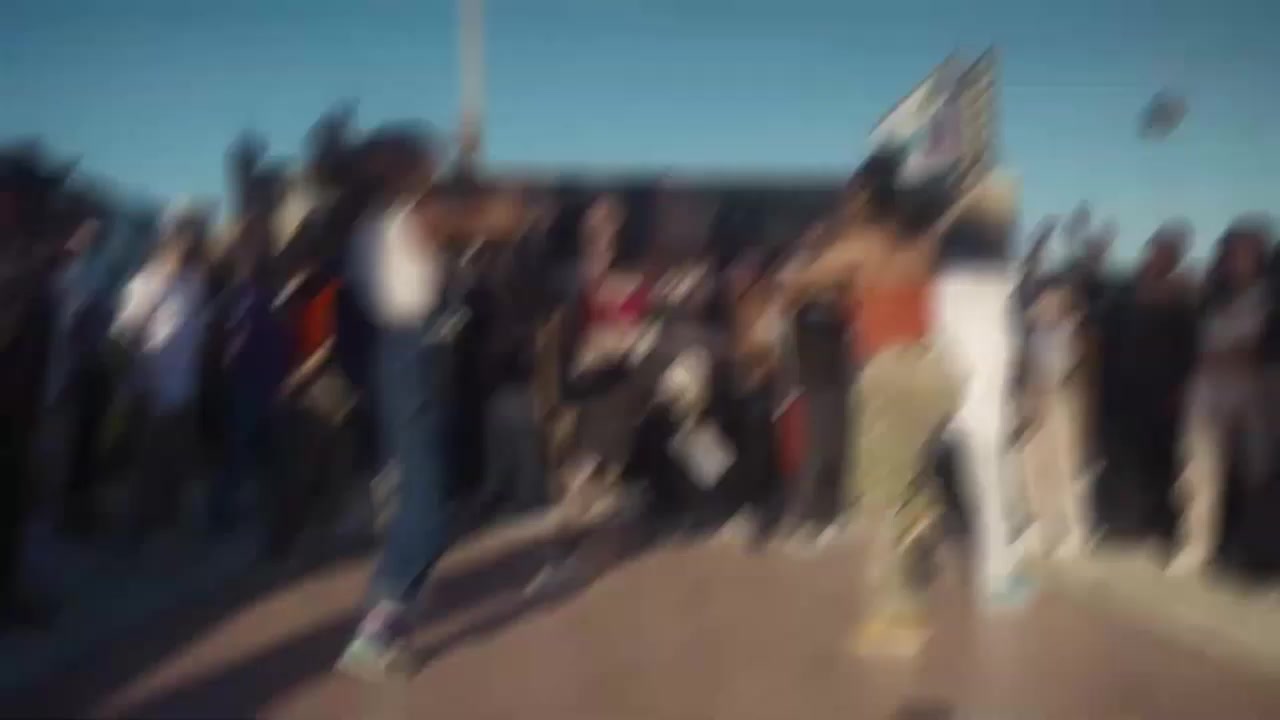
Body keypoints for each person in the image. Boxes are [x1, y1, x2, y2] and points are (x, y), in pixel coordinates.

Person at [779, 150, 1020, 659]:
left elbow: (796, 285)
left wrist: (817, 262)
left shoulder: (859, 245)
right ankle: (923, 506)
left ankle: (895, 618)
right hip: (935, 371)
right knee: (904, 483)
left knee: (877, 501)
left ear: (866, 196)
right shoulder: (922, 242)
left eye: (852, 193)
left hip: (889, 375)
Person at [335, 132, 528, 678]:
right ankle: (378, 627)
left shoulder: (370, 222)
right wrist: (480, 172)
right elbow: (502, 219)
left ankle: (389, 616)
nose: (435, 167)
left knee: (422, 490)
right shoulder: (413, 216)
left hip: (393, 353)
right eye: (428, 160)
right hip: (411, 351)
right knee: (428, 506)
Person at [1171, 222, 1271, 575]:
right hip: (1207, 388)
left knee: (1254, 471)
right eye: (1233, 252)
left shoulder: (1268, 297)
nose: (1238, 260)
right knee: (1198, 469)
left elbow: (1256, 348)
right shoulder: (1211, 295)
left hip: (1253, 390)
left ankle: (1249, 548)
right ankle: (1197, 544)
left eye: (1247, 252)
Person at [110, 210, 210, 548]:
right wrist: (136, 385)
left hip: (185, 390)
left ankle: (166, 526)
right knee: (143, 469)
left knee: (176, 465)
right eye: (184, 239)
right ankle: (133, 533)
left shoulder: (194, 282)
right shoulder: (145, 283)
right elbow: (124, 335)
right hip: (151, 393)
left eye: (194, 240)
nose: (190, 246)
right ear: (167, 242)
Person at [1094, 226, 1197, 542]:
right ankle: (1121, 522)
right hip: (1121, 387)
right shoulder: (1125, 290)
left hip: (1162, 389)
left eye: (1168, 253)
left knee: (1159, 459)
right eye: (1157, 250)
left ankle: (1157, 523)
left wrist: (1180, 389)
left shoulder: (1182, 297)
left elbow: (1189, 347)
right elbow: (1104, 331)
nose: (1159, 257)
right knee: (1121, 455)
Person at [43, 217, 113, 540]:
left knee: (74, 442)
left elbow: (87, 319)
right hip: (72, 369)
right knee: (69, 442)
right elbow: (77, 321)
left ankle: (68, 509)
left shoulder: (85, 271)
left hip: (79, 369)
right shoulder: (76, 272)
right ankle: (64, 510)